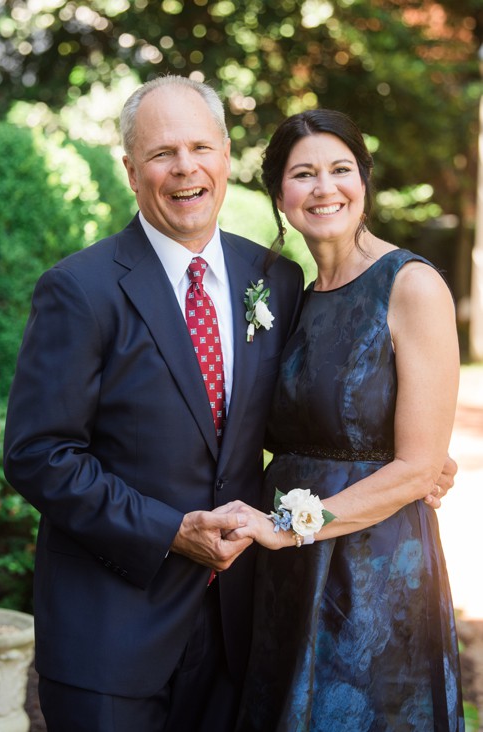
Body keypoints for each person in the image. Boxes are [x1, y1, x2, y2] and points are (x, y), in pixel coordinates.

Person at [2, 75, 307, 731]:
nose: (186, 167)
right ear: (131, 169)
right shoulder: (80, 290)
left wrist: (393, 462)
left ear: (226, 155)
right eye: (164, 153)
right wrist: (171, 532)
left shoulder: (276, 280)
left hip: (237, 633)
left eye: (201, 146)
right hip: (110, 639)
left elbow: (296, 421)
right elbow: (38, 455)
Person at [229, 110, 463, 730]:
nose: (325, 187)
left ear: (364, 181)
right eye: (303, 174)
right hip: (284, 566)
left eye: (341, 169)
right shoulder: (288, 294)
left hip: (373, 561)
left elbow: (417, 468)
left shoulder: (411, 286)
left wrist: (295, 525)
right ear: (280, 195)